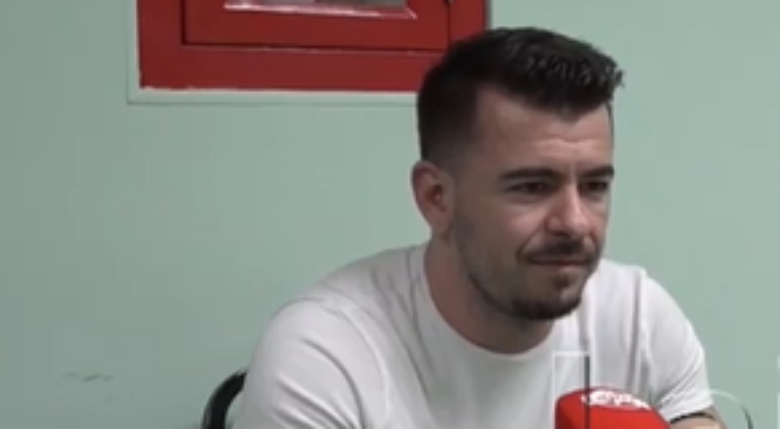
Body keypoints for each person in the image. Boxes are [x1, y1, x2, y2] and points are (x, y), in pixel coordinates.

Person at [232, 27, 724, 429]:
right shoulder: (325, 357)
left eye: (595, 186)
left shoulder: (637, 319)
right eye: (532, 187)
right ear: (436, 198)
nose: (575, 222)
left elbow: (695, 418)